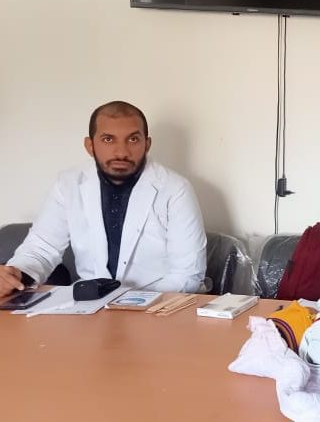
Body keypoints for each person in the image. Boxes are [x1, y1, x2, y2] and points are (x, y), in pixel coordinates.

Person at [0, 101, 207, 295]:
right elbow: (41, 249)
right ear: (90, 146)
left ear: (147, 144)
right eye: (108, 139)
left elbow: (188, 275)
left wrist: (131, 304)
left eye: (133, 139)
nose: (121, 152)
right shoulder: (68, 183)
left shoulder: (175, 189)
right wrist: (15, 275)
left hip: (157, 305)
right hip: (89, 306)